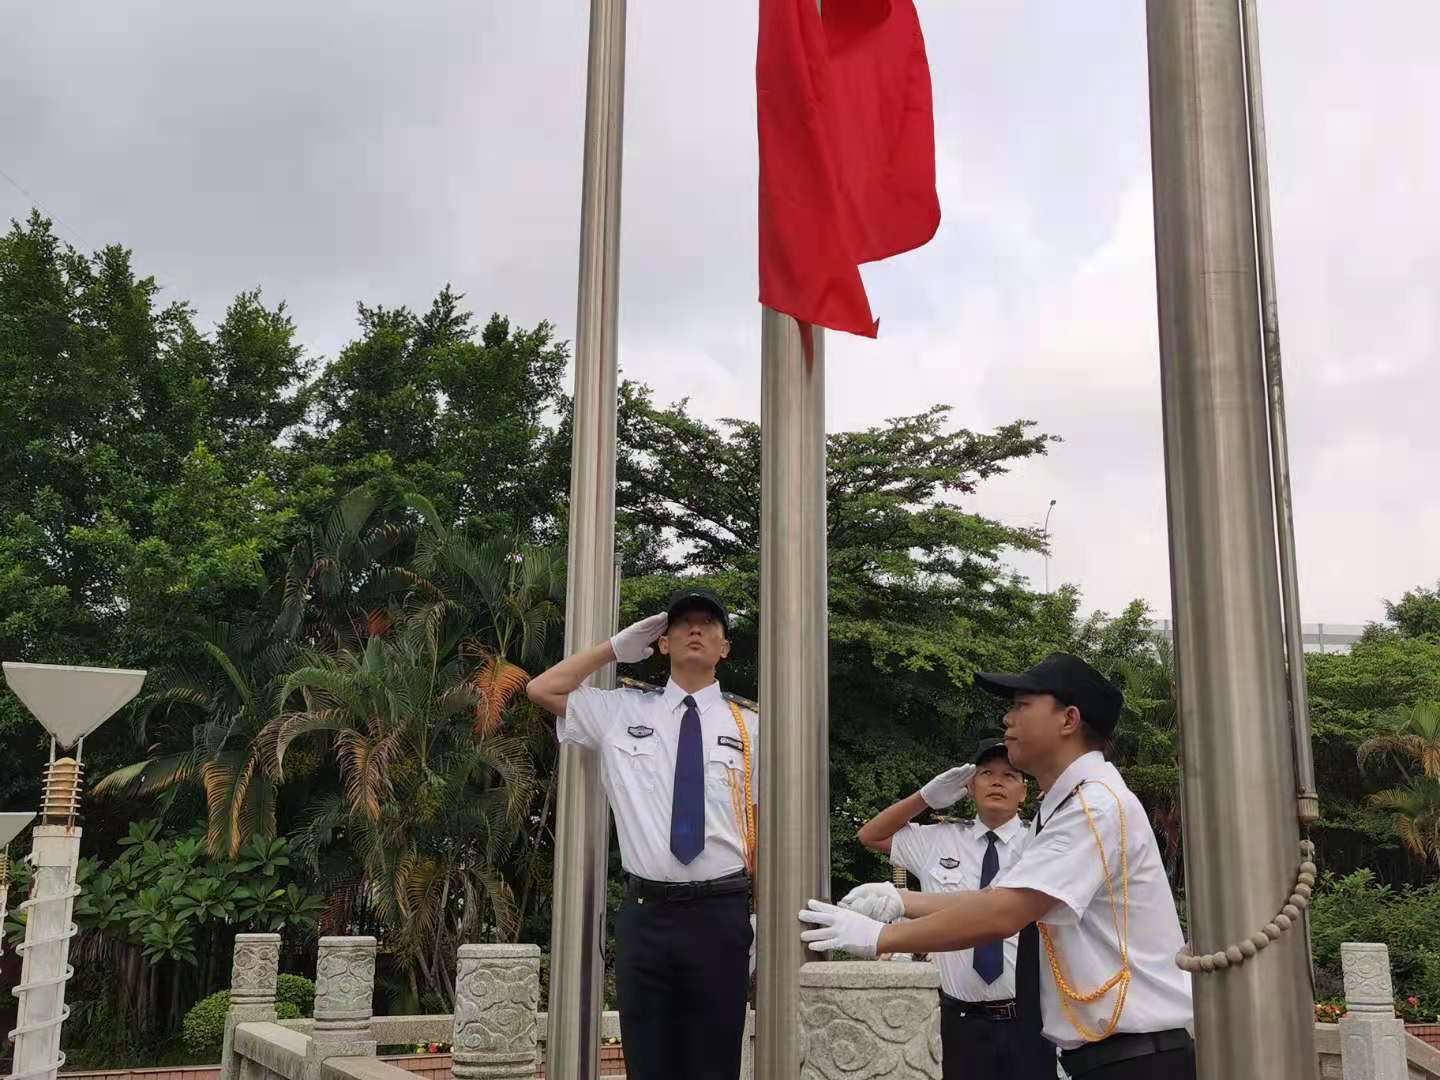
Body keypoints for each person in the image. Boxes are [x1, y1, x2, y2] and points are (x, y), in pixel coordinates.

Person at [800, 652, 1194, 1080]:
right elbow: (997, 897)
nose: (1008, 718)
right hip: (1100, 1054)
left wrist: (880, 936)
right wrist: (901, 900)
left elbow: (1004, 912)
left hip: (1135, 1060)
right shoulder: (1067, 806)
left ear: (1069, 719)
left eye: (1022, 705)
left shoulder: (1093, 807)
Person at [526, 587, 757, 1080]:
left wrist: (762, 916)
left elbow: (765, 825)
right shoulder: (622, 711)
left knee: (715, 1064)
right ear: (663, 643)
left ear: (724, 648)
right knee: (647, 1062)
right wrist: (612, 649)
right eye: (683, 623)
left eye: (708, 623)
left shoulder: (752, 727)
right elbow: (541, 689)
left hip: (721, 913)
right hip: (647, 914)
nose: (695, 629)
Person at [854, 738, 1056, 1080]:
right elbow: (870, 836)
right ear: (969, 786)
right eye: (986, 773)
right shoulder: (939, 838)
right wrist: (924, 798)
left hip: (1030, 1019)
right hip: (959, 1020)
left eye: (1009, 775)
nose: (997, 782)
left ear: (1024, 792)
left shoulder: (1040, 842)